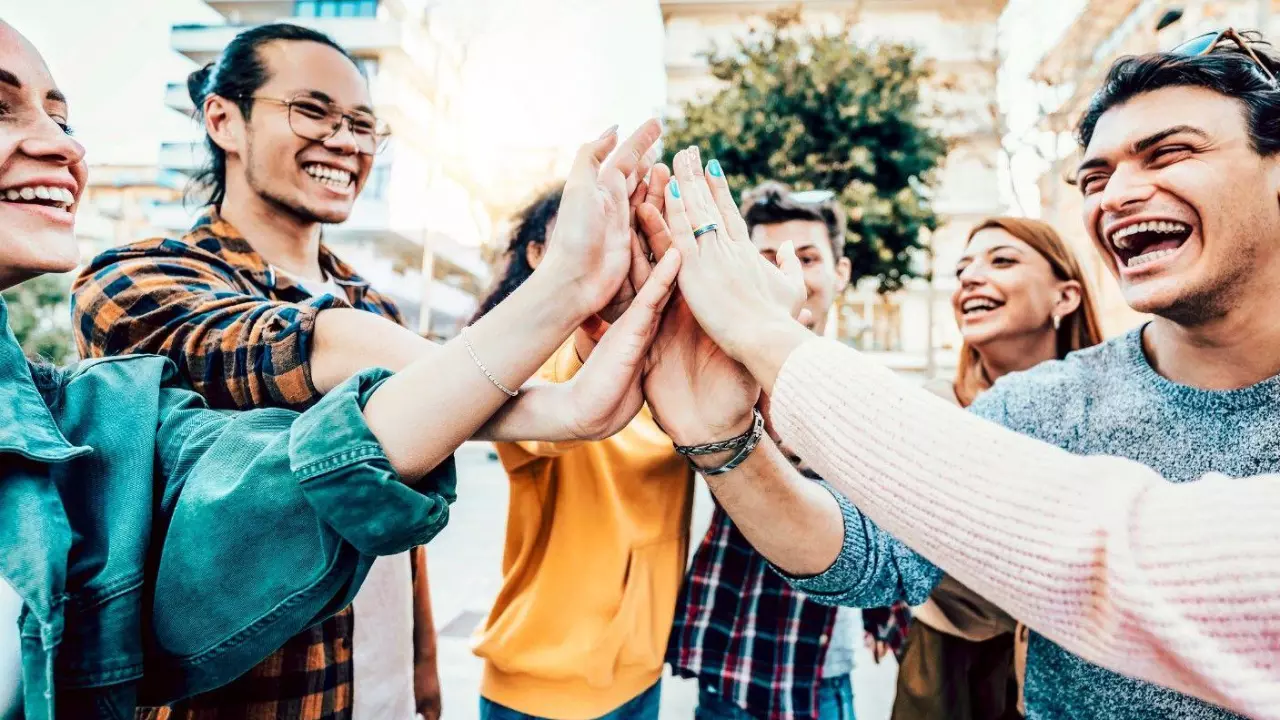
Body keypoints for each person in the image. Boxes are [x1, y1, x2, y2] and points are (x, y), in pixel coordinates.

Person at [0, 18, 679, 720]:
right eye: (311, 111)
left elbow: (397, 502)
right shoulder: (134, 278)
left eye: (361, 123)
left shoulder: (372, 300)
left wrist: (422, 680)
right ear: (222, 119)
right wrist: (559, 303)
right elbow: (291, 349)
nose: (346, 140)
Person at [644, 30, 1280, 720]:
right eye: (1094, 177)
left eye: (1172, 152)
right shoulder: (1040, 404)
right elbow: (869, 556)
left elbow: (1119, 550)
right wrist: (725, 440)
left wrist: (768, 338)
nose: (1117, 194)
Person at [469, 180, 693, 720]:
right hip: (535, 686)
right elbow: (550, 418)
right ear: (540, 254)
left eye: (632, 235)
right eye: (594, 238)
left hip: (638, 676)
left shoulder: (669, 367)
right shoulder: (526, 363)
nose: (621, 254)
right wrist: (591, 332)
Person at [888, 217, 1103, 720]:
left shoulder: (1113, 410)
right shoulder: (928, 409)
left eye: (1002, 260)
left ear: (1065, 296)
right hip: (945, 663)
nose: (969, 278)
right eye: (962, 268)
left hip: (1083, 665)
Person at [665, 180, 862, 720]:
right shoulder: (714, 370)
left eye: (807, 257)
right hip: (726, 651)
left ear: (840, 273)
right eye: (766, 257)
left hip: (814, 669)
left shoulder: (864, 387)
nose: (787, 271)